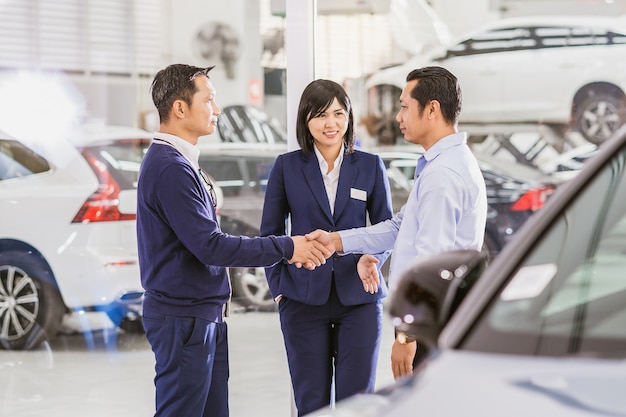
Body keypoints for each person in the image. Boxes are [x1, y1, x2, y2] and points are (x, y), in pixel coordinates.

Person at [136, 64, 333, 417]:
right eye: (209, 100)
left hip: (199, 316)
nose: (217, 109)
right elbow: (210, 245)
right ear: (180, 108)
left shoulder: (180, 162)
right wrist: (288, 247)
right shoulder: (171, 168)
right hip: (184, 319)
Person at [307, 66, 488, 380]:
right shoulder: (445, 164)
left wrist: (407, 336)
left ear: (432, 109)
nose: (399, 117)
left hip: (429, 329)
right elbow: (398, 227)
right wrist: (336, 241)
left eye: (404, 107)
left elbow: (431, 260)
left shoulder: (443, 176)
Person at [260, 79, 394, 416]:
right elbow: (270, 235)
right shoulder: (287, 167)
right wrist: (280, 291)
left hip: (359, 300)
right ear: (305, 120)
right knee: (311, 403)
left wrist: (371, 257)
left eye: (338, 113)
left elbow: (385, 229)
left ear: (349, 116)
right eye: (320, 115)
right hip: (302, 300)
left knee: (359, 404)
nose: (330, 123)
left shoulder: (369, 165)